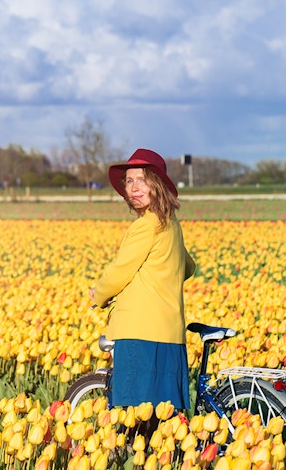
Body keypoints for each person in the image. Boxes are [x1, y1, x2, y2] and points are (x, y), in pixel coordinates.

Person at [90, 149, 196, 412]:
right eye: (129, 181)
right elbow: (188, 267)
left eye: (141, 180)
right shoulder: (170, 224)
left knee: (133, 418)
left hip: (139, 334)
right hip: (170, 335)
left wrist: (99, 295)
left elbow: (119, 271)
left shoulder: (145, 225)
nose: (133, 188)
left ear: (156, 185)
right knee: (163, 420)